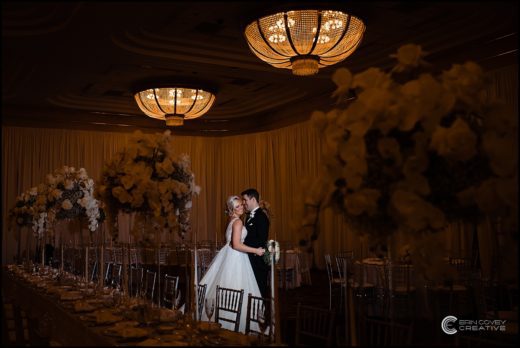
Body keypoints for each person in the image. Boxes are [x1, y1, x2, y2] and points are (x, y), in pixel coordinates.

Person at [199, 195, 265, 333]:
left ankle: (221, 318)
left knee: (225, 284)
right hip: (236, 257)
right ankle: (234, 323)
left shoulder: (231, 220)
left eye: (241, 204)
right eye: (237, 206)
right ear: (231, 209)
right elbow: (236, 245)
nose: (241, 207)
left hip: (228, 255)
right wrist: (256, 250)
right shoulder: (238, 222)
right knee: (236, 285)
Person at [241, 188, 270, 298]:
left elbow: (261, 240)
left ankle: (259, 314)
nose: (244, 203)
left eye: (245, 200)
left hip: (258, 261)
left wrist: (241, 243)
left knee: (258, 290)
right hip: (250, 258)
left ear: (253, 199)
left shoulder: (262, 217)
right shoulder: (249, 216)